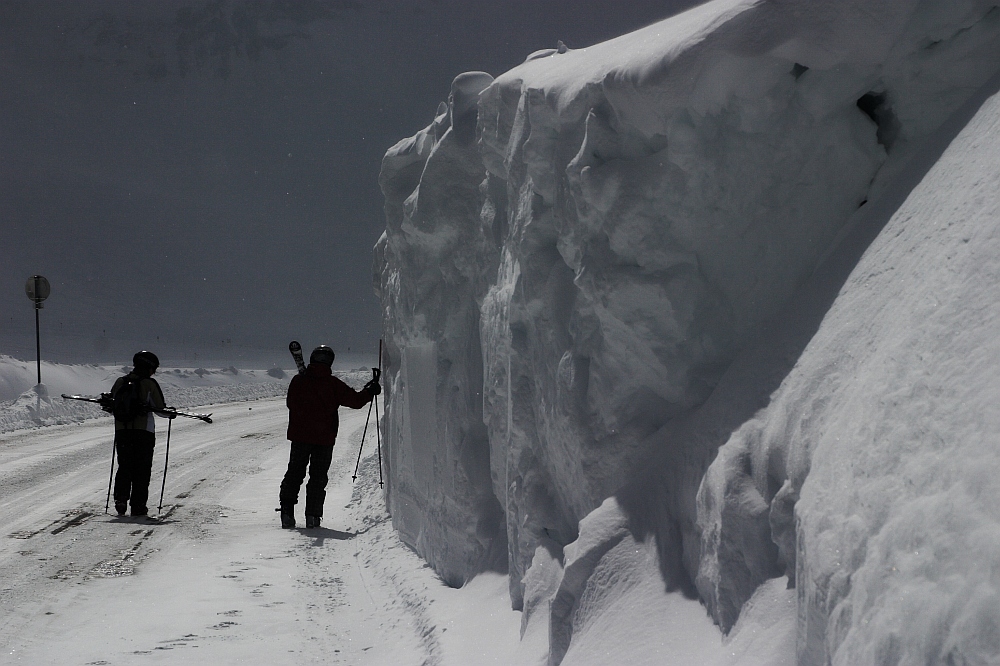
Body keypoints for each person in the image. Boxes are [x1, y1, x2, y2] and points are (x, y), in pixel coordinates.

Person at [279, 345, 380, 529]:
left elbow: (290, 404)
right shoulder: (332, 384)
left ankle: (287, 512)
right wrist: (370, 391)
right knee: (318, 477)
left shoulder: (298, 380)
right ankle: (313, 516)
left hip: (300, 437)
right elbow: (356, 402)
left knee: (294, 473)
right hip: (324, 439)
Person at [111, 350, 172, 517]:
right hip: (143, 433)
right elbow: (160, 408)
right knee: (141, 469)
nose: (154, 372)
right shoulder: (149, 384)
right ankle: (138, 506)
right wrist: (170, 413)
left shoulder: (120, 382)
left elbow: (113, 405)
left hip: (122, 431)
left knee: (124, 466)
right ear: (148, 367)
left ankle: (120, 499)